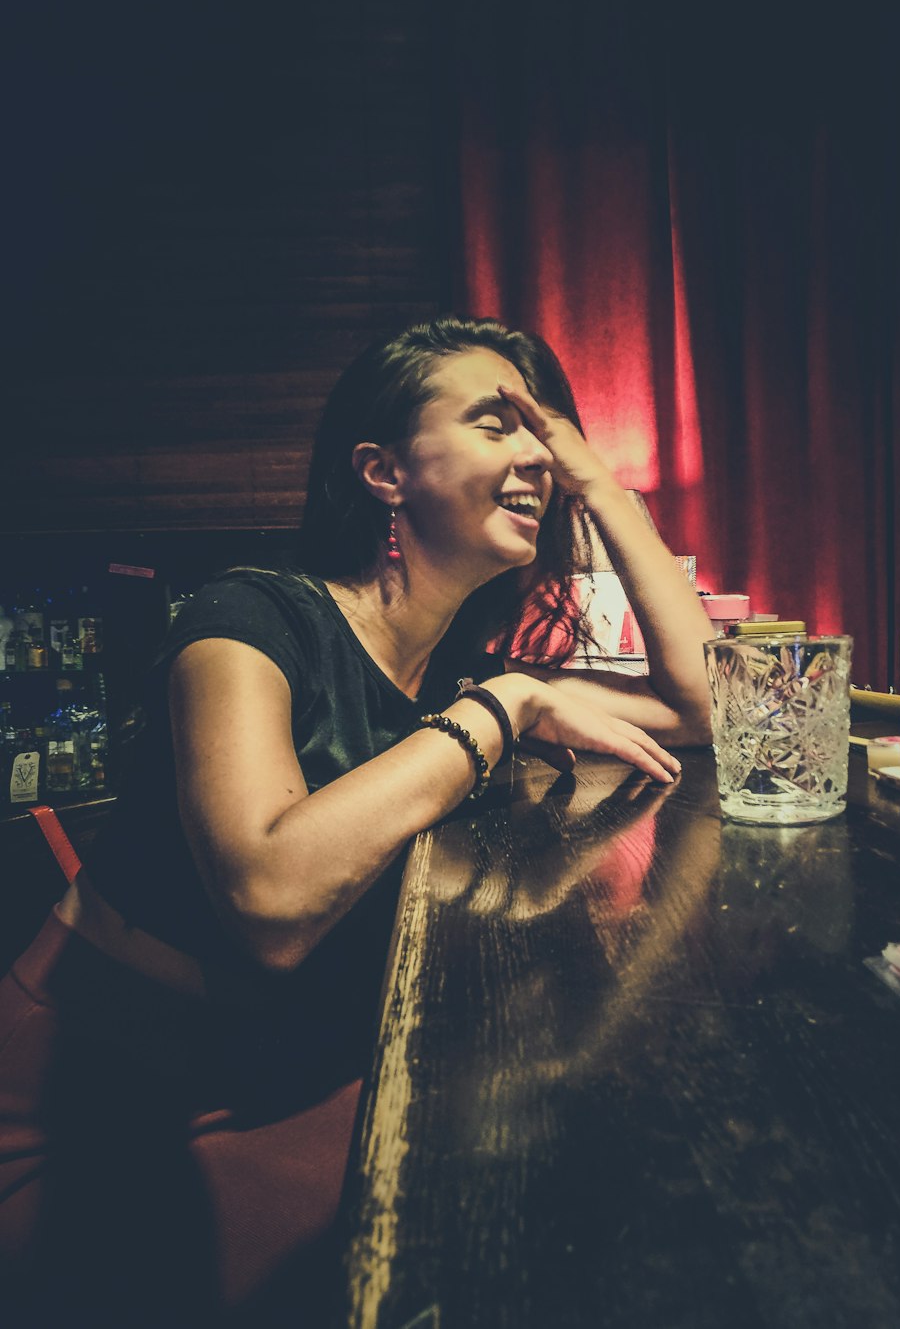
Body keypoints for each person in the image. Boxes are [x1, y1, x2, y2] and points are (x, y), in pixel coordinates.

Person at [0, 316, 713, 1325]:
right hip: (100, 1122)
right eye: (496, 422)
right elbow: (270, 898)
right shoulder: (246, 621)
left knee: (572, 1183)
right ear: (382, 471)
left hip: (287, 1073)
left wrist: (601, 486)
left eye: (546, 438)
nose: (536, 457)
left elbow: (699, 709)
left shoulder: (457, 669)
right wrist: (503, 707)